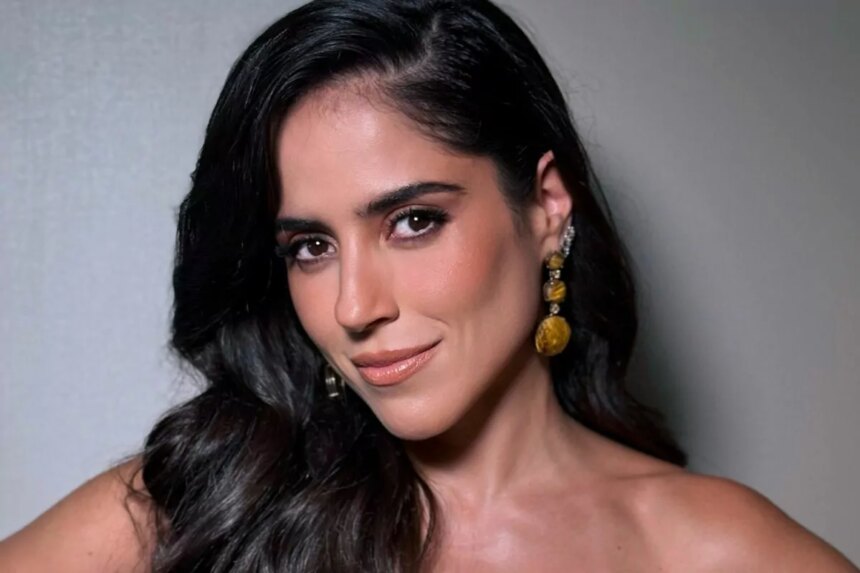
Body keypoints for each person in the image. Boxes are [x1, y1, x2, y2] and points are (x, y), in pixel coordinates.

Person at [0, 0, 856, 571]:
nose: (355, 306)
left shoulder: (711, 549)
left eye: (412, 221)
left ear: (547, 207)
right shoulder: (208, 497)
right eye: (310, 246)